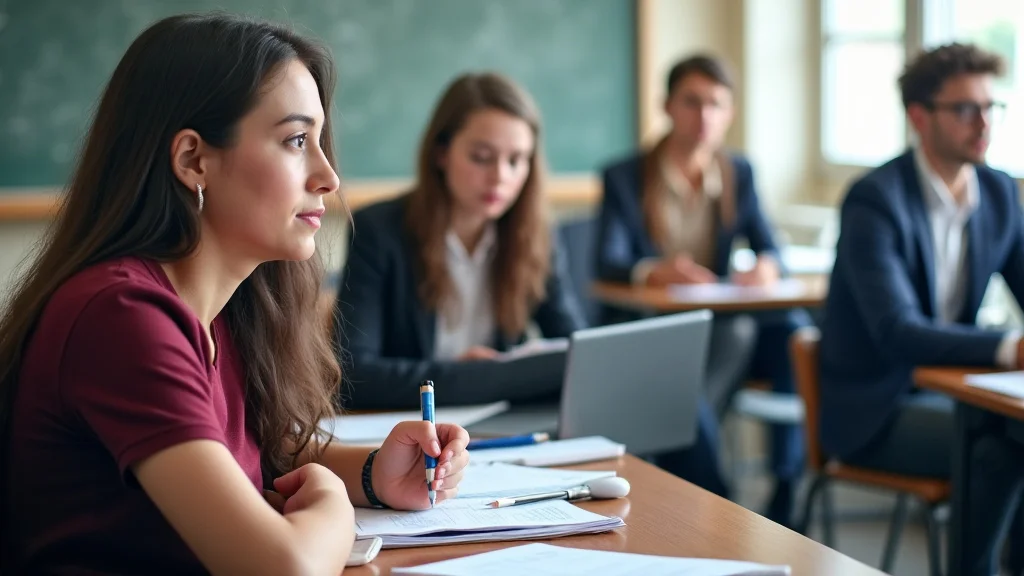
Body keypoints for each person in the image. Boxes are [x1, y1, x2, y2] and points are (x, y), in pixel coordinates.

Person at [0, 13, 469, 575]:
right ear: (194, 160)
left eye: (319, 140)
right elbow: (280, 568)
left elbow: (258, 458)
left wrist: (374, 473)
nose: (328, 176)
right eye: (296, 140)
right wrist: (331, 510)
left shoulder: (221, 312)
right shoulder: (121, 316)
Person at [819, 42, 1024, 575]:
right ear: (919, 116)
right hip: (876, 406)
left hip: (954, 392)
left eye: (990, 107)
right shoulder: (875, 199)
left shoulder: (1000, 193)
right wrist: (1010, 346)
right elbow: (897, 330)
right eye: (964, 109)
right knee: (1003, 452)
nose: (983, 123)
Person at [596, 53, 809, 523]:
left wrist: (767, 269)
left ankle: (788, 482)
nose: (704, 116)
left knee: (794, 331)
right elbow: (609, 261)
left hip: (720, 323)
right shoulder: (626, 175)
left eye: (716, 104)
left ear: (730, 112)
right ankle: (719, 497)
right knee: (730, 342)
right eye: (692, 102)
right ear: (667, 106)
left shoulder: (739, 173)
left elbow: (771, 249)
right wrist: (656, 270)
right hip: (654, 328)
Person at [334, 72, 587, 410]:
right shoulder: (379, 230)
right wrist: (479, 377)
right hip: (412, 427)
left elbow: (580, 352)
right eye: (482, 157)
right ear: (442, 153)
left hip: (498, 419)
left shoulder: (536, 234)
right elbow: (356, 375)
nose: (501, 177)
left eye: (516, 160)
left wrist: (492, 377)